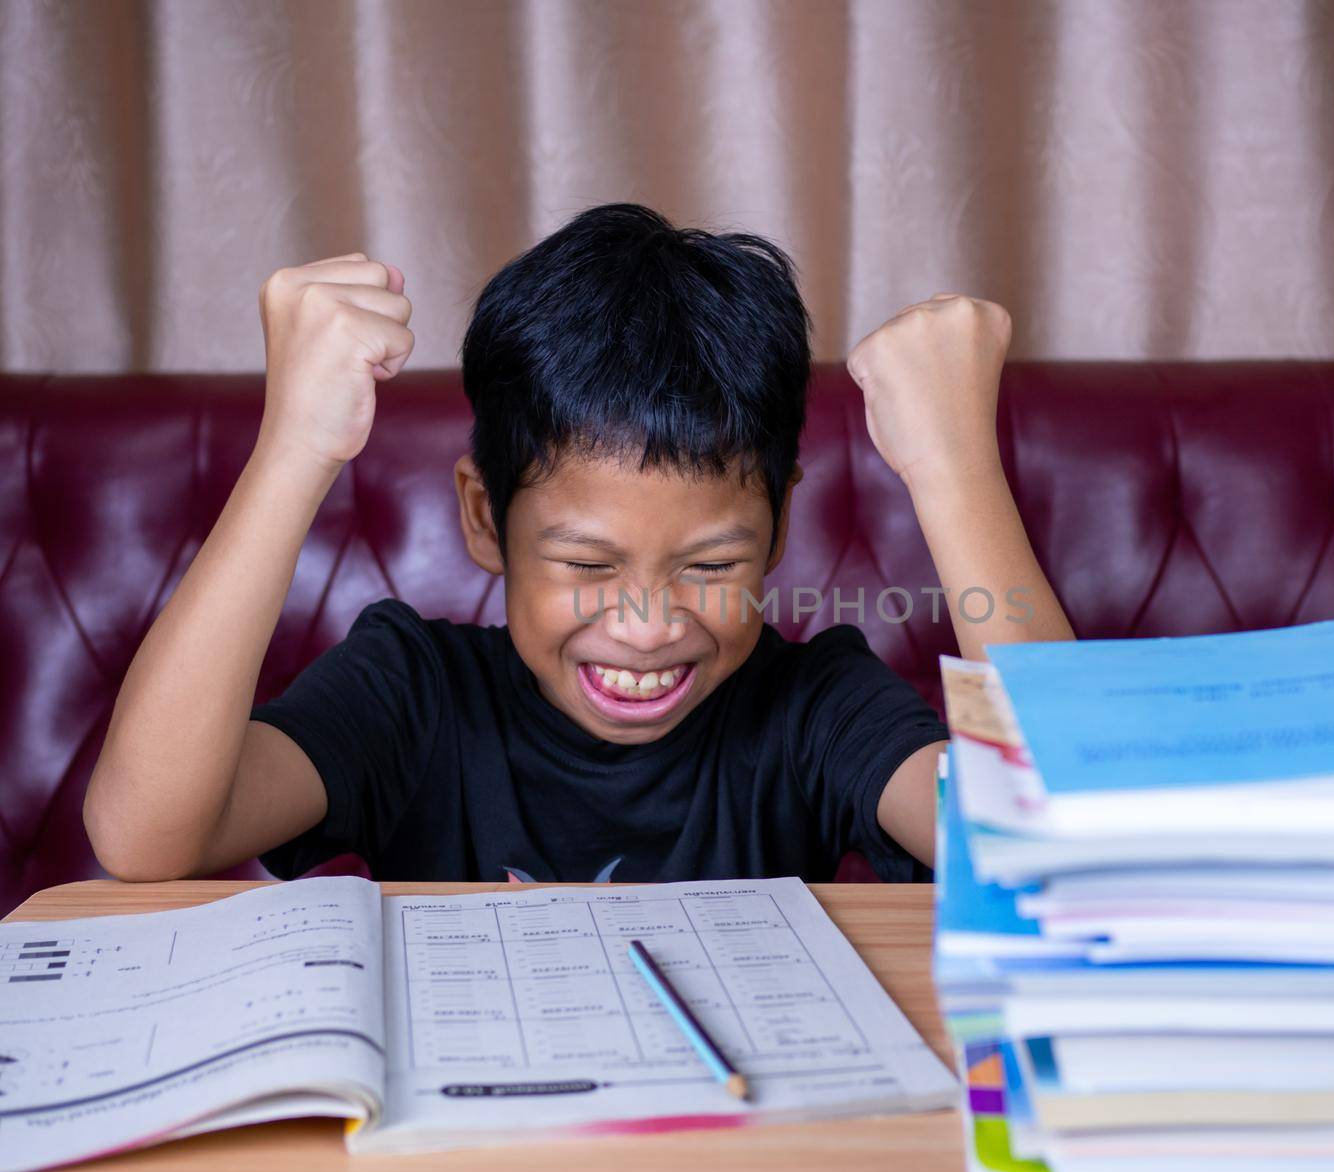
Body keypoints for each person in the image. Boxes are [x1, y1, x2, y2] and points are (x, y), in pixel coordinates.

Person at [83, 203, 1073, 886]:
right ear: (483, 519)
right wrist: (294, 448)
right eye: (589, 566)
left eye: (711, 566)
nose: (646, 627)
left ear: (777, 532)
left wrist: (955, 473)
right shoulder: (414, 692)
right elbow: (145, 836)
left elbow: (1073, 844)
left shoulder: (812, 709)